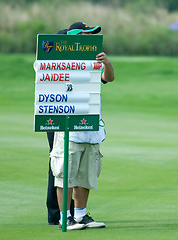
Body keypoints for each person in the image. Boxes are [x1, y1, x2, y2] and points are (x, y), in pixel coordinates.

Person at [50, 22, 115, 231]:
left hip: (90, 125)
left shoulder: (93, 62)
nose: (91, 40)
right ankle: (64, 217)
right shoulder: (60, 62)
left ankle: (80, 215)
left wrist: (107, 62)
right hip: (69, 125)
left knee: (86, 174)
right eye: (86, 36)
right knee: (65, 173)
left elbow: (109, 78)